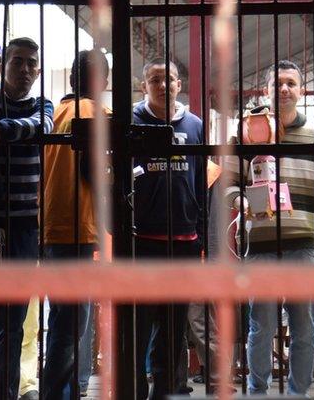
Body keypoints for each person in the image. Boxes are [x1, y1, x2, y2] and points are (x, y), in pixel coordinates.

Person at [224, 60, 314, 396]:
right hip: (261, 242)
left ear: (302, 91)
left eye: (291, 83)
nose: (284, 89)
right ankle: (257, 389)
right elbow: (229, 186)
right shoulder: (246, 133)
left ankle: (297, 393)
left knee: (304, 327)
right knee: (260, 326)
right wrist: (243, 203)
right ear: (265, 91)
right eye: (277, 84)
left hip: (303, 243)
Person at [130, 59, 205, 399]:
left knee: (174, 329)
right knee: (138, 326)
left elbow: (202, 179)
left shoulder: (195, 125)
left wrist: (202, 235)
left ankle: (163, 392)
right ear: (143, 85)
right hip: (143, 241)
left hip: (184, 241)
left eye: (170, 79)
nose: (163, 85)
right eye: (155, 79)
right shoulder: (132, 120)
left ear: (180, 84)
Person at [41, 49, 110, 400]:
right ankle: (57, 393)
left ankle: (66, 390)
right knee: (71, 328)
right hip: (80, 227)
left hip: (52, 226)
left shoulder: (55, 112)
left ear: (71, 79)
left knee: (61, 322)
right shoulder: (99, 114)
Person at [0, 37, 53, 400]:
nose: (25, 70)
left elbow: (40, 125)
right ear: (4, 65)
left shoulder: (41, 104)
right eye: (18, 62)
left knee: (12, 322)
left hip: (26, 225)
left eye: (31, 64)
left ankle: (4, 392)